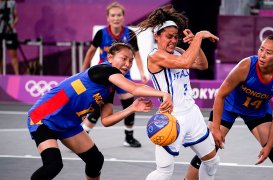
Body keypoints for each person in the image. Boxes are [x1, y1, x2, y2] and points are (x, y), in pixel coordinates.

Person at [27, 43, 173, 180]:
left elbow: (106, 120)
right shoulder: (103, 70)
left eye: (131, 61)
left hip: (68, 123)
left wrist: (132, 108)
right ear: (110, 57)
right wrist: (163, 94)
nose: (127, 64)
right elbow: (134, 88)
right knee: (53, 165)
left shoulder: (109, 88)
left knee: (95, 160)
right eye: (124, 58)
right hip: (44, 117)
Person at [184, 34, 273, 180]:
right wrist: (216, 129)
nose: (262, 55)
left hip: (256, 111)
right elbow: (220, 95)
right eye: (261, 49)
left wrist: (268, 146)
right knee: (208, 150)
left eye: (268, 53)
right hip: (229, 107)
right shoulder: (247, 65)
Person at [137, 6, 220, 180]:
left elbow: (201, 64)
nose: (173, 40)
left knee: (212, 161)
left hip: (192, 114)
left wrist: (192, 44)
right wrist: (198, 37)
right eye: (169, 36)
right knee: (164, 172)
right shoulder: (155, 56)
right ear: (156, 36)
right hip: (171, 118)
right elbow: (185, 61)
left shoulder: (179, 52)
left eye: (176, 36)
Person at [81, 2, 148, 148]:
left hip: (123, 74)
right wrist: (83, 69)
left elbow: (136, 54)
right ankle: (83, 136)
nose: (116, 18)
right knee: (99, 108)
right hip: (103, 77)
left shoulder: (129, 34)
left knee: (129, 102)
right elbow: (90, 52)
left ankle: (129, 138)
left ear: (123, 17)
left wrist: (142, 72)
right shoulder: (101, 34)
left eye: (119, 15)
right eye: (113, 15)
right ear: (108, 18)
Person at [0, 0, 19, 75]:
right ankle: (1, 77)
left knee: (13, 54)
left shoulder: (11, 2)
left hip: (10, 32)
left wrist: (12, 26)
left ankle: (17, 76)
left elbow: (16, 17)